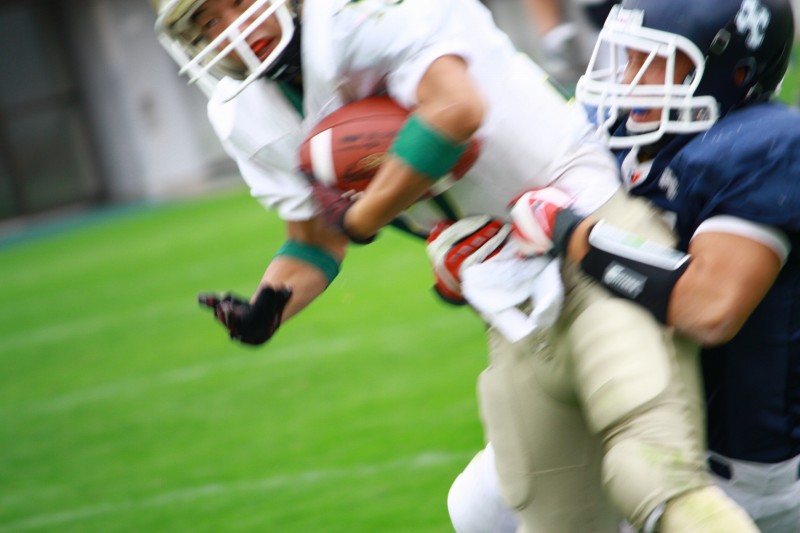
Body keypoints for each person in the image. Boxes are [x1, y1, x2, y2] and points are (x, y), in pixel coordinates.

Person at [153, 1, 758, 531]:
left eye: (239, 1)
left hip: (588, 225)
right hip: (510, 291)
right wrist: (269, 307)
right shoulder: (242, 114)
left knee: (650, 473)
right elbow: (315, 241)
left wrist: (363, 216)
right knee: (533, 514)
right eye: (208, 21)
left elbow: (455, 112)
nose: (234, 28)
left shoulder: (358, 14)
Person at [448, 0, 800, 531]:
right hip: (616, 400)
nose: (629, 78)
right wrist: (479, 263)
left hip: (736, 463)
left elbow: (709, 308)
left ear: (735, 73)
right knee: (478, 508)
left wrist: (571, 234)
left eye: (654, 62)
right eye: (627, 56)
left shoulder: (764, 147)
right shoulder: (621, 132)